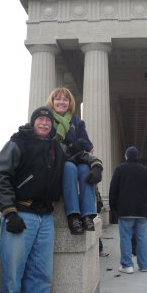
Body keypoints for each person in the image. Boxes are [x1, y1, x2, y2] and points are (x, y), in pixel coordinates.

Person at [0, 107, 65, 293]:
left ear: (52, 125)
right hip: (20, 215)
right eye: (40, 119)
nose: (44, 123)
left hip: (46, 218)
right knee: (13, 278)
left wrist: (95, 164)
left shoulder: (57, 148)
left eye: (47, 120)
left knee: (41, 276)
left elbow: (81, 156)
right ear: (33, 123)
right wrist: (9, 212)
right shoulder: (17, 143)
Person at [46, 87, 102, 235]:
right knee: (70, 168)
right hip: (60, 160)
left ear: (70, 102)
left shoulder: (77, 121)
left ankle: (88, 215)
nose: (61, 102)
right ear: (52, 101)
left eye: (65, 99)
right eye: (58, 99)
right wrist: (73, 145)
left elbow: (86, 143)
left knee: (85, 170)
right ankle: (73, 215)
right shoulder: (48, 119)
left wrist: (73, 145)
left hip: (77, 158)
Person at [109, 146, 147, 274]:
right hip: (141, 210)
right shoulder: (146, 170)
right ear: (137, 156)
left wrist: (113, 207)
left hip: (125, 210)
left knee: (125, 237)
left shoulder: (120, 169)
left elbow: (113, 190)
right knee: (141, 237)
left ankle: (127, 265)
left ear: (126, 156)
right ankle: (144, 264)